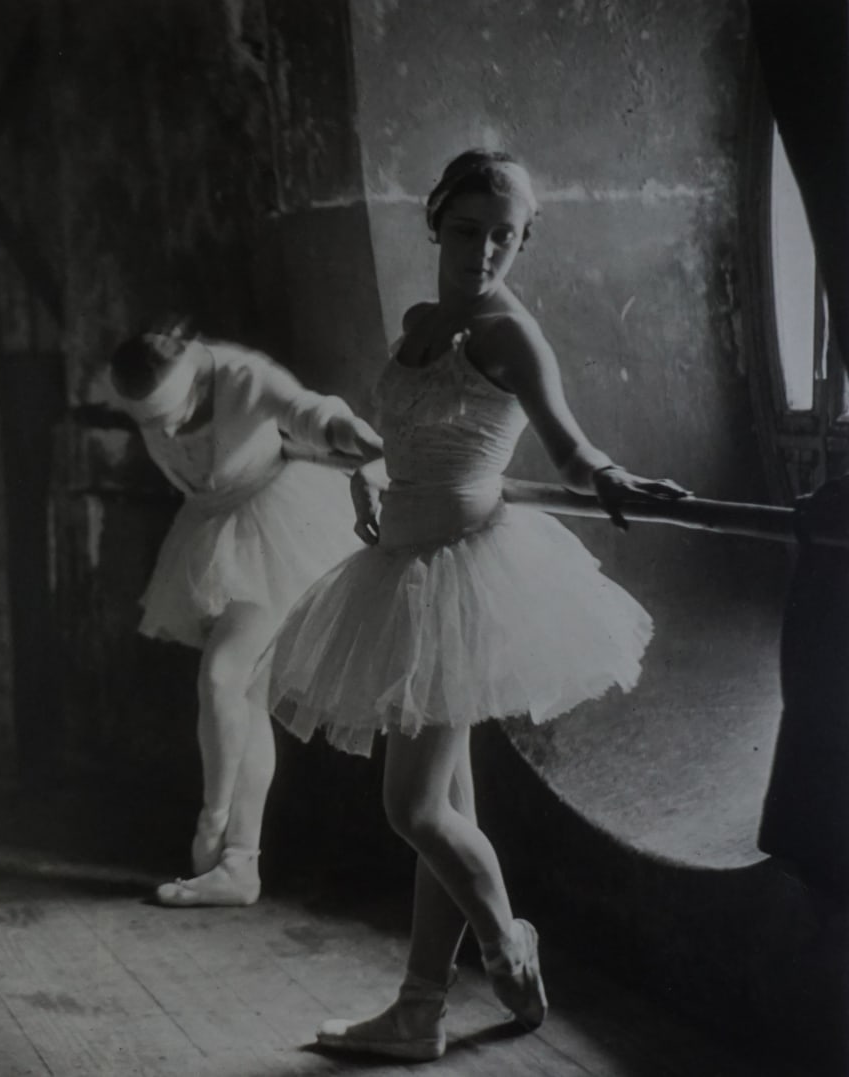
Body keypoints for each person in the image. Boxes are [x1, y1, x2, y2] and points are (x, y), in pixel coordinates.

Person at [259, 149, 690, 1061]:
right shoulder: (422, 321)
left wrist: (610, 474)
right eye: (468, 230)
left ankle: (505, 944)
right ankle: (419, 1008)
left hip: (462, 570)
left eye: (507, 236)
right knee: (447, 809)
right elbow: (407, 430)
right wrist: (371, 474)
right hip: (401, 563)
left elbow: (569, 447)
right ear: (436, 223)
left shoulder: (510, 333)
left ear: (522, 240)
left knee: (415, 808)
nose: (487, 250)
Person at [106, 318, 382, 907]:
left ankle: (214, 818)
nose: (170, 430)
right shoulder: (149, 394)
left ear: (195, 377)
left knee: (222, 676)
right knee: (245, 695)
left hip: (277, 529)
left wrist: (371, 451)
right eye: (152, 424)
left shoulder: (243, 376)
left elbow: (316, 414)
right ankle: (239, 865)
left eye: (175, 411)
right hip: (211, 534)